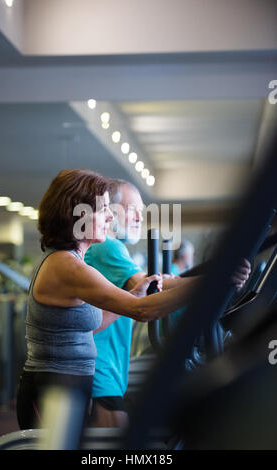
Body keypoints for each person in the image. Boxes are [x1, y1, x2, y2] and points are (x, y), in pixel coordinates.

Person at [16, 169, 213, 430]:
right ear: (79, 214)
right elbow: (142, 311)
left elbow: (93, 325)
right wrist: (211, 283)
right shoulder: (67, 266)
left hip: (68, 389)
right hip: (51, 392)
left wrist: (132, 295)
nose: (110, 217)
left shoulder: (75, 260)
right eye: (103, 209)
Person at [85, 179, 251, 428]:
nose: (140, 219)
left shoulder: (108, 249)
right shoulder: (108, 247)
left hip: (107, 368)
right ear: (111, 210)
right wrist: (216, 279)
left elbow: (155, 282)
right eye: (133, 210)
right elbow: (151, 288)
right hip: (100, 369)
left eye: (142, 212)